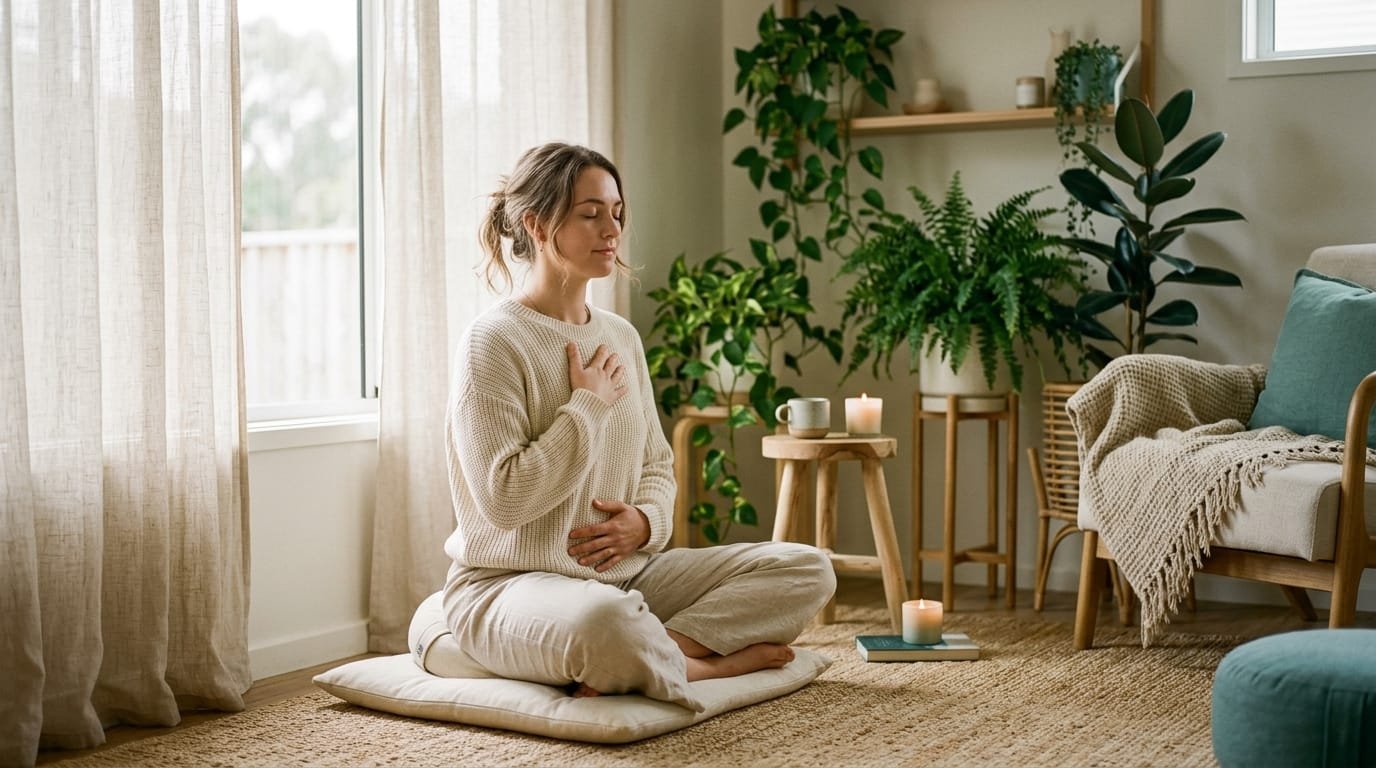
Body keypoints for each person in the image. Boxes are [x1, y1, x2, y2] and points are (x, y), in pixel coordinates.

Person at [441, 142, 835, 710]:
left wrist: (645, 526)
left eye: (617, 212)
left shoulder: (620, 336)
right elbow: (504, 500)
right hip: (507, 586)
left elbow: (655, 463)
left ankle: (667, 656)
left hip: (628, 580)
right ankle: (706, 663)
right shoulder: (492, 341)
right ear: (537, 222)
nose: (612, 229)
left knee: (806, 568)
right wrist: (587, 406)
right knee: (604, 620)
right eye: (590, 213)